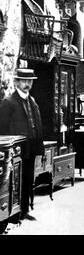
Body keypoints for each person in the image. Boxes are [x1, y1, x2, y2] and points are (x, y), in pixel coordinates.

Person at [0, 69, 45, 221]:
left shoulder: (32, 101)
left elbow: (38, 126)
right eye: (24, 81)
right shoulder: (9, 102)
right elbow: (2, 129)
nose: (27, 84)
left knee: (27, 180)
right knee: (15, 180)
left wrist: (40, 150)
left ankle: (24, 210)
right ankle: (13, 214)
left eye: (30, 81)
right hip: (16, 150)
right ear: (17, 82)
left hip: (30, 148)